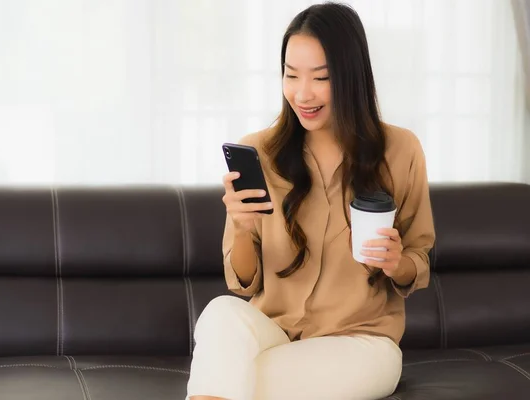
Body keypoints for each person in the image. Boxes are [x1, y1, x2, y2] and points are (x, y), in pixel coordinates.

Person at [186, 2, 435, 399]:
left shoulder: (401, 150)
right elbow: (244, 285)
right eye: (291, 75)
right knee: (221, 315)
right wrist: (241, 226)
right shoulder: (260, 152)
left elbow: (419, 259)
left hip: (362, 345)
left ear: (350, 76)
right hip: (277, 334)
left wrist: (396, 262)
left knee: (232, 376)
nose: (302, 93)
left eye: (321, 77)